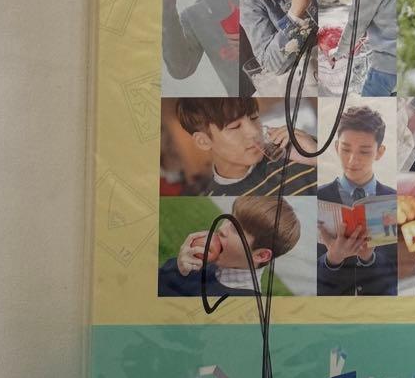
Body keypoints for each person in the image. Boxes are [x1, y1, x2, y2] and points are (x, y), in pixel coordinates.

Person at [317, 106, 397, 296]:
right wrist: (331, 260)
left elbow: (398, 278)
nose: (352, 160)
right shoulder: (317, 198)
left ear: (380, 152)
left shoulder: (394, 201)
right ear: (336, 147)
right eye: (345, 149)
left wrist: (369, 259)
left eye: (365, 152)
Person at [158, 195, 301, 298]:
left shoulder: (241, 303)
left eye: (236, 229)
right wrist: (178, 269)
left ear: (260, 255)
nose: (222, 229)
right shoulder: (211, 264)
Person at [175, 97, 316, 196]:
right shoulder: (214, 198)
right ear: (203, 141)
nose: (254, 131)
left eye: (254, 118)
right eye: (235, 126)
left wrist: (316, 157)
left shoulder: (299, 150)